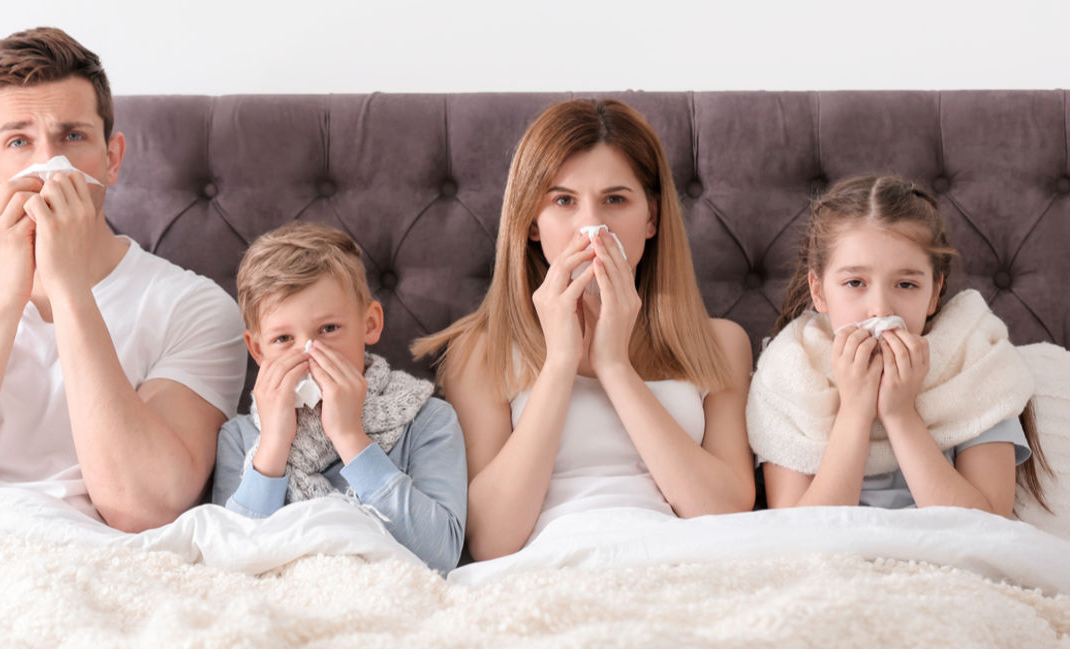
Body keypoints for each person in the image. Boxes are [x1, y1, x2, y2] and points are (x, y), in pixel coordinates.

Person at [0, 27, 248, 533]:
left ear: (111, 159)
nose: (49, 164)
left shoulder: (194, 308)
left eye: (72, 136)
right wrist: (2, 300)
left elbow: (145, 508)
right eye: (19, 141)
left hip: (111, 565)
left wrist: (69, 291)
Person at [413, 99, 755, 561]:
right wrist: (559, 364)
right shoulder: (479, 349)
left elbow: (725, 516)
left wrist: (616, 367)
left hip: (682, 562)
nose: (592, 226)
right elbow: (490, 540)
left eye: (615, 199)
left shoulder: (720, 343)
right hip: (545, 568)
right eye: (563, 200)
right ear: (532, 223)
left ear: (651, 218)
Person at [749, 175, 1050, 513]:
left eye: (906, 284)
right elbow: (796, 535)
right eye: (854, 282)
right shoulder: (788, 373)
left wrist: (900, 414)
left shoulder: (975, 364)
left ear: (934, 293)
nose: (880, 308)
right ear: (818, 291)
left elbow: (989, 524)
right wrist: (854, 411)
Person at [213, 223, 467, 574]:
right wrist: (273, 444)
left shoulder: (428, 420)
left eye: (328, 330)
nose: (309, 353)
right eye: (283, 339)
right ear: (257, 350)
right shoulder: (241, 439)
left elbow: (441, 554)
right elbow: (231, 559)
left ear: (370, 324)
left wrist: (351, 437)